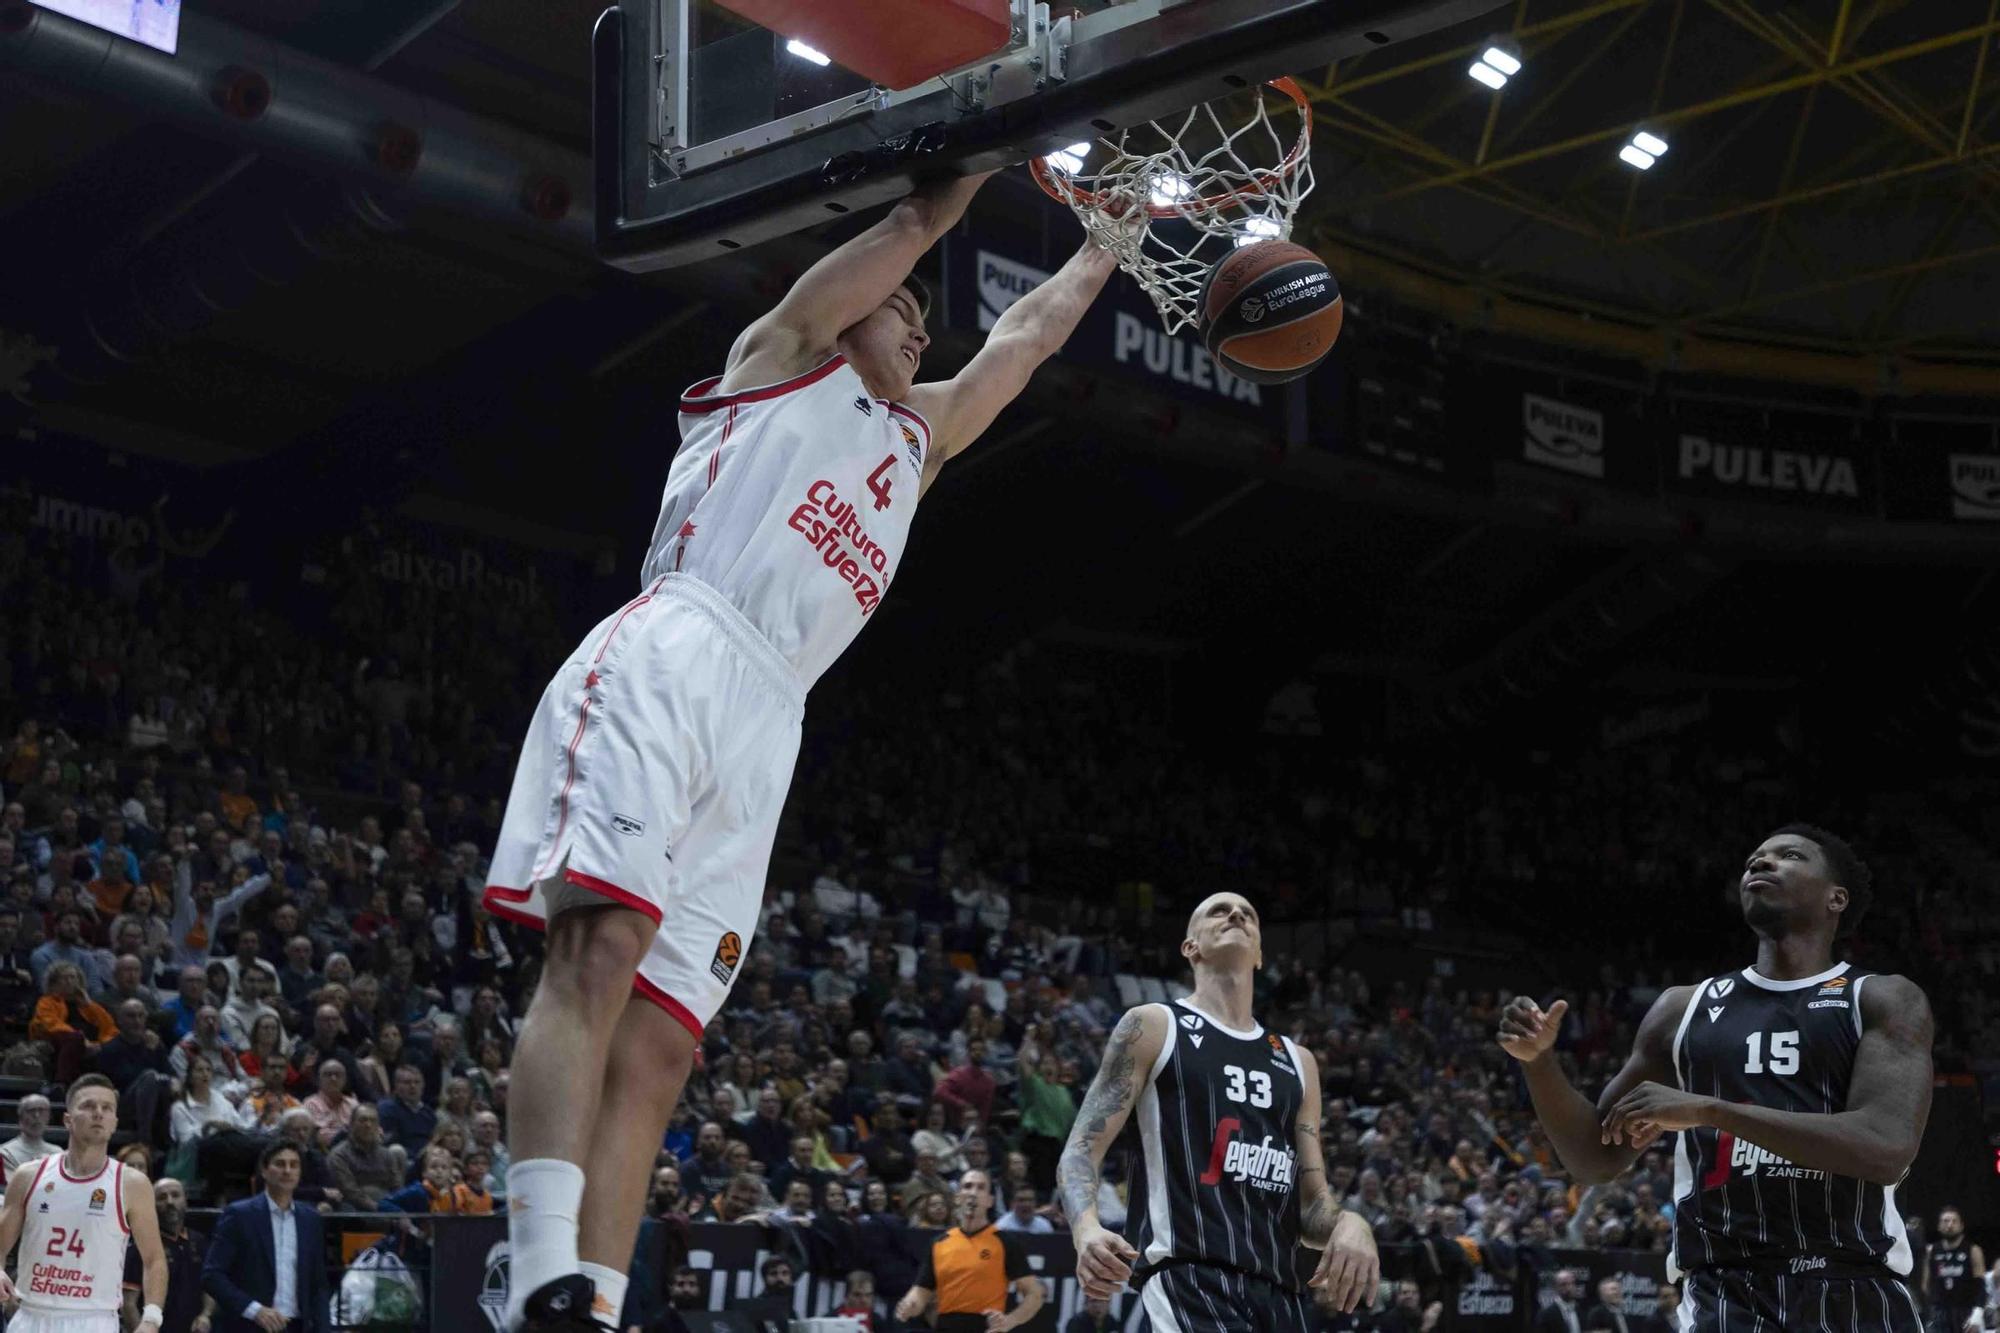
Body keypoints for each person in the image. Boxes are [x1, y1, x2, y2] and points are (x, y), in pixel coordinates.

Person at [482, 165, 1128, 1333]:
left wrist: (1107, 242)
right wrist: (979, 154)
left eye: (926, 311)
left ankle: (596, 1307)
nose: (920, 318)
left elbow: (1021, 343)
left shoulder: (917, 443)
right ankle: (534, 1275)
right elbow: (910, 221)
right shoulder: (780, 356)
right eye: (902, 304)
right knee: (599, 950)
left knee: (664, 1048)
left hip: (772, 718)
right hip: (679, 649)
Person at [1499, 824, 1934, 1333]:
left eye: (1788, 855)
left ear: (1836, 898)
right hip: (1724, 1295)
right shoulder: (1682, 1010)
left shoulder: (1882, 999)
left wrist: (1709, 1110)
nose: (1761, 863)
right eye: (1754, 858)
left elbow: (1885, 1147)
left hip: (1857, 1288)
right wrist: (1539, 1063)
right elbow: (1595, 1157)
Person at [1058, 892, 1380, 1330]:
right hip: (1189, 1279)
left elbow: (1311, 1207)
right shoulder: (1153, 1026)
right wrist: (1086, 1228)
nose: (1236, 914)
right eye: (1219, 911)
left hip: (1280, 1295)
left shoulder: (1297, 1061)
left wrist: (1350, 1223)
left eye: (1249, 913)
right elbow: (1080, 1148)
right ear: (1191, 947)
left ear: (1262, 954)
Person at [0, 1075, 169, 1333]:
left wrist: (152, 1317)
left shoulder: (132, 1184)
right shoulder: (28, 1176)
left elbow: (154, 1258)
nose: (98, 1113)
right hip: (32, 1315)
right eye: (89, 1106)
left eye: (107, 1108)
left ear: (114, 1123)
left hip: (94, 1319)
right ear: (67, 1119)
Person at [202, 1140, 331, 1333]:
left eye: (294, 1165)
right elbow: (212, 1275)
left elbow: (318, 1284)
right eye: (280, 1164)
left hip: (297, 1325)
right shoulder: (239, 1214)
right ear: (264, 1171)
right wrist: (255, 1310)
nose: (287, 1171)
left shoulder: (310, 1219)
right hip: (248, 1325)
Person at [123, 1176, 217, 1333]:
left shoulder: (200, 1241)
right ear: (152, 1204)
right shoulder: (142, 1244)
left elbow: (209, 1287)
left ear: (185, 1200)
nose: (170, 1202)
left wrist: (206, 1315)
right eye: (161, 1197)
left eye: (175, 1195)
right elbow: (128, 1304)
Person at [1923, 1206, 1986, 1333]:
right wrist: (1932, 1309)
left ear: (1961, 1225)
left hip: (1965, 1311)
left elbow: (1981, 1285)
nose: (1950, 1225)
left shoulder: (1973, 1250)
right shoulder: (1931, 1251)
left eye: (1954, 1221)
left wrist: (1978, 1312)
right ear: (1939, 1226)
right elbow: (1925, 1284)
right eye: (1945, 1221)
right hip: (1939, 1312)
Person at [327, 1104, 401, 1210]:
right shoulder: (339, 1154)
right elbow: (350, 1191)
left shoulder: (387, 1154)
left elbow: (396, 1186)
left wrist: (396, 1209)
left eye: (373, 1121)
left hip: (386, 1205)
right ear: (351, 1125)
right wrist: (380, 1209)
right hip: (356, 1208)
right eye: (363, 1120)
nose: (368, 1125)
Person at [1, 1092, 62, 1172]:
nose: (36, 1116)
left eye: (41, 1110)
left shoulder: (58, 1153)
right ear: (21, 1117)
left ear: (48, 1117)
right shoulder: (5, 1153)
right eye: (31, 1111)